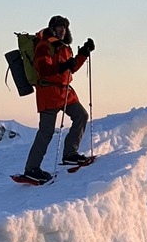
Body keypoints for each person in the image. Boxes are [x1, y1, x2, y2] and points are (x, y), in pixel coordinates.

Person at [22, 15, 95, 182]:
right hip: (49, 93)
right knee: (46, 132)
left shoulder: (62, 47)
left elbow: (72, 68)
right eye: (59, 27)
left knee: (81, 116)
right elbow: (43, 68)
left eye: (65, 27)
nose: (63, 30)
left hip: (64, 92)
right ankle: (31, 169)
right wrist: (64, 65)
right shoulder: (44, 45)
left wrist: (83, 52)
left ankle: (70, 154)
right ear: (53, 28)